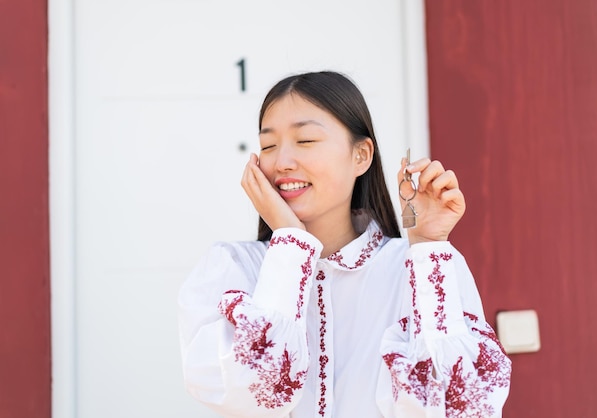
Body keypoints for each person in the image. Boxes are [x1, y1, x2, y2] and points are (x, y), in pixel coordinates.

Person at [178, 71, 511, 418]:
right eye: (268, 145)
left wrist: (427, 245)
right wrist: (291, 245)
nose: (281, 162)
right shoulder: (233, 269)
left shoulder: (418, 270)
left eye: (305, 140)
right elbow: (251, 396)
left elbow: (462, 409)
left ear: (361, 156)